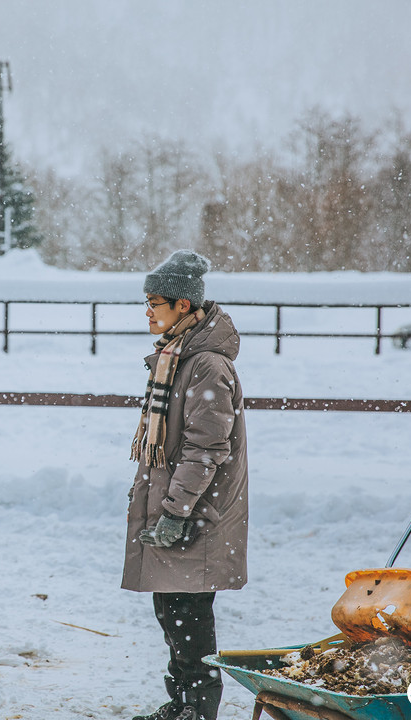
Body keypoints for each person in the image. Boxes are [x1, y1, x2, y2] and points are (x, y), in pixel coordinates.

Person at [123, 249, 249, 720]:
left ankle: (198, 709)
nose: (148, 311)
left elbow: (205, 449)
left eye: (155, 301)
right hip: (181, 508)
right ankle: (182, 704)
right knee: (171, 612)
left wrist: (176, 512)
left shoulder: (206, 366)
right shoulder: (175, 358)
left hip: (198, 513)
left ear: (183, 305)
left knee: (189, 617)